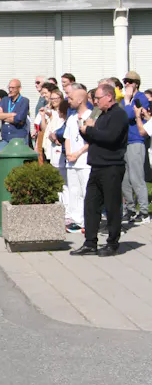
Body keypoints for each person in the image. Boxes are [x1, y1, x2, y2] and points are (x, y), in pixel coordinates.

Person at [71, 84, 128, 257]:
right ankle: (90, 242)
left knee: (111, 206)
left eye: (97, 98)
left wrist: (90, 129)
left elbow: (110, 137)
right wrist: (84, 129)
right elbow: (93, 137)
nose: (95, 101)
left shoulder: (119, 115)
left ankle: (112, 243)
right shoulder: (100, 114)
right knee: (91, 205)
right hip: (96, 165)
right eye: (94, 98)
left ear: (109, 97)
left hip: (111, 166)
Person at [56, 86, 90, 233]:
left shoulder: (91, 115)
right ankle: (75, 220)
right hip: (71, 161)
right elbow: (67, 137)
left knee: (85, 190)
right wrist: (69, 153)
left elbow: (92, 139)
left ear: (81, 99)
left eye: (71, 98)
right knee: (74, 191)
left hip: (85, 161)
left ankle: (86, 220)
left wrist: (78, 153)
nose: (68, 101)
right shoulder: (71, 118)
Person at [119, 71, 150, 224]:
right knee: (124, 179)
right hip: (124, 142)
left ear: (136, 83)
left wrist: (126, 100)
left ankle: (144, 211)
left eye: (130, 81)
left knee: (136, 177)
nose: (126, 84)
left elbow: (128, 115)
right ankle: (130, 209)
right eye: (125, 81)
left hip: (136, 140)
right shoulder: (126, 100)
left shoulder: (140, 98)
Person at [0, 79, 30, 148]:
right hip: (5, 138)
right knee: (1, 156)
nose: (10, 90)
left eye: (13, 88)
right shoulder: (5, 100)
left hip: (18, 138)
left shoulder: (24, 101)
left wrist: (2, 115)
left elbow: (18, 119)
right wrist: (11, 114)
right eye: (9, 88)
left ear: (19, 88)